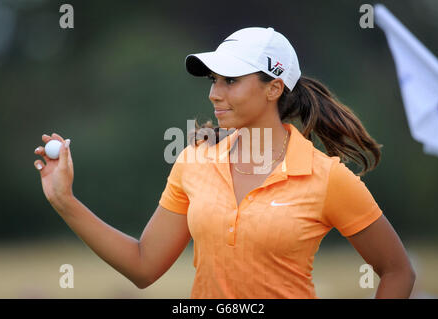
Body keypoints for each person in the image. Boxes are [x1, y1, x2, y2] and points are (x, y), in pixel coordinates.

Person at [33, 26, 415, 299]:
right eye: (214, 81)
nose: (214, 94)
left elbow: (398, 272)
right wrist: (65, 201)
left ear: (274, 87)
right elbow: (143, 265)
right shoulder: (194, 161)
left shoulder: (325, 176)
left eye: (230, 80)